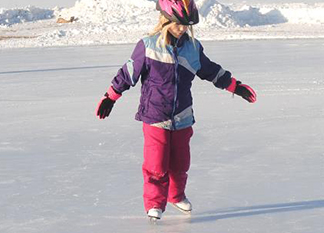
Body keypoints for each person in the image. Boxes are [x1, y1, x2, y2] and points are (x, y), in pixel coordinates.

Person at [94, 0, 257, 220]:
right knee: (156, 164)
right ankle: (154, 204)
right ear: (166, 19)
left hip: (183, 116)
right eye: (178, 24)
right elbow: (127, 73)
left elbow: (211, 71)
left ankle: (176, 195)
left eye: (186, 25)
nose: (182, 29)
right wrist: (110, 97)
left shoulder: (193, 47)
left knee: (181, 163)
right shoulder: (148, 45)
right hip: (155, 116)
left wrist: (235, 86)